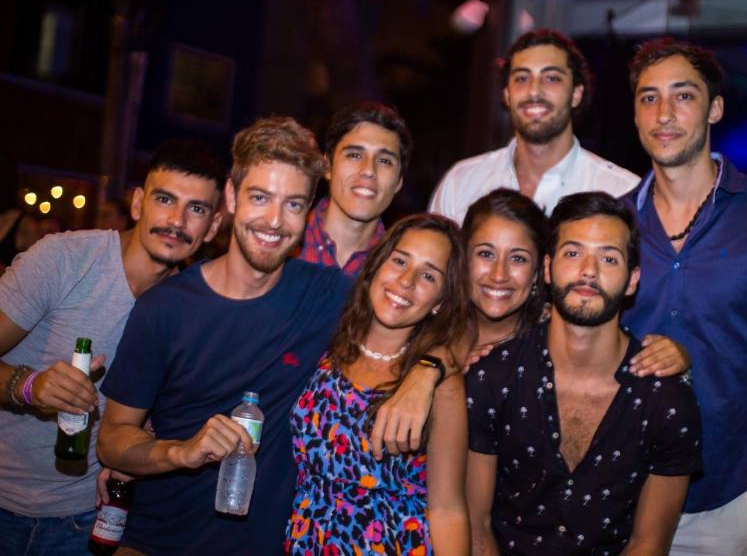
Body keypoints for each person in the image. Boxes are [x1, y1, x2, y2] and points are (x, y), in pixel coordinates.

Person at [98, 116, 448, 556]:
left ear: (309, 209)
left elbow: (447, 324)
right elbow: (113, 439)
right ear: (231, 196)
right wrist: (179, 452)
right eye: (260, 197)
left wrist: (427, 372)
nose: (274, 221)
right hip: (156, 542)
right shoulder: (164, 308)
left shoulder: (330, 295)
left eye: (293, 204)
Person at [622, 38, 747, 556]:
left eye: (683, 95)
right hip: (616, 494)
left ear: (714, 108)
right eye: (649, 97)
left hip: (724, 504)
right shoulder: (609, 225)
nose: (664, 113)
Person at [0, 139, 226, 554]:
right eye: (164, 199)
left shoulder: (195, 309)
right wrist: (30, 386)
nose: (176, 221)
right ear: (138, 203)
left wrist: (140, 445)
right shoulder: (65, 259)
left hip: (82, 520)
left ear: (213, 227)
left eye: (196, 209)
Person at [466, 191, 702, 555]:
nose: (589, 270)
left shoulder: (666, 401)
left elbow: (649, 544)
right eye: (573, 253)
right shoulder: (492, 378)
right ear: (547, 269)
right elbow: (475, 526)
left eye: (608, 258)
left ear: (632, 279)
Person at [287, 214, 470, 554]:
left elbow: (448, 509)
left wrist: (430, 368)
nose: (406, 281)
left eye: (428, 275)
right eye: (400, 260)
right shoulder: (326, 338)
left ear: (440, 302)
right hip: (308, 542)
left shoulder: (439, 382)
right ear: (375, 265)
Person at [462, 188, 690, 378]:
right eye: (486, 254)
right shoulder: (441, 332)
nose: (499, 275)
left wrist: (680, 358)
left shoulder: (561, 329)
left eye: (518, 258)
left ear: (539, 270)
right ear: (462, 258)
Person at [429, 28, 640, 224]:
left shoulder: (619, 191)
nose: (534, 91)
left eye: (551, 78)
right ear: (507, 94)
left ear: (576, 94)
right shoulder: (461, 183)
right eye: (522, 78)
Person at [298, 101, 410, 276]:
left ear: (399, 182)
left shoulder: (399, 273)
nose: (368, 170)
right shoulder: (282, 241)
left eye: (384, 161)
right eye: (355, 155)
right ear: (327, 166)